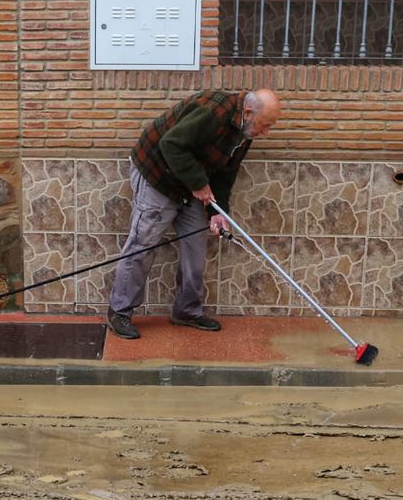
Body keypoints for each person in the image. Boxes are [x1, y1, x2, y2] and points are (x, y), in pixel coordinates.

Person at [106, 88, 282, 340]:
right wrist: (199, 183)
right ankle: (119, 311)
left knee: (195, 247)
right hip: (157, 174)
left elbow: (225, 174)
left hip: (188, 181)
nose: (265, 132)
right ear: (248, 112)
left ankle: (187, 310)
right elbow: (172, 144)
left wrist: (216, 212)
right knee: (142, 244)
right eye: (265, 125)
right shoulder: (213, 112)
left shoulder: (245, 131)